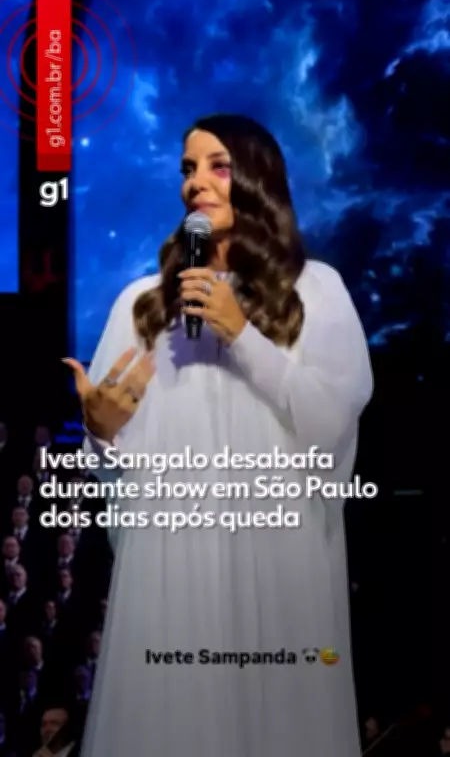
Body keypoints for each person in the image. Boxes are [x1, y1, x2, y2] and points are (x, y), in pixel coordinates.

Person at [65, 114, 373, 756]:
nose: (195, 183)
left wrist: (242, 334)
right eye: (187, 169)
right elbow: (117, 468)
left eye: (218, 166)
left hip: (279, 562)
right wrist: (102, 434)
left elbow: (331, 422)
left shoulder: (316, 291)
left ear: (259, 178)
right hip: (174, 568)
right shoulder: (140, 305)